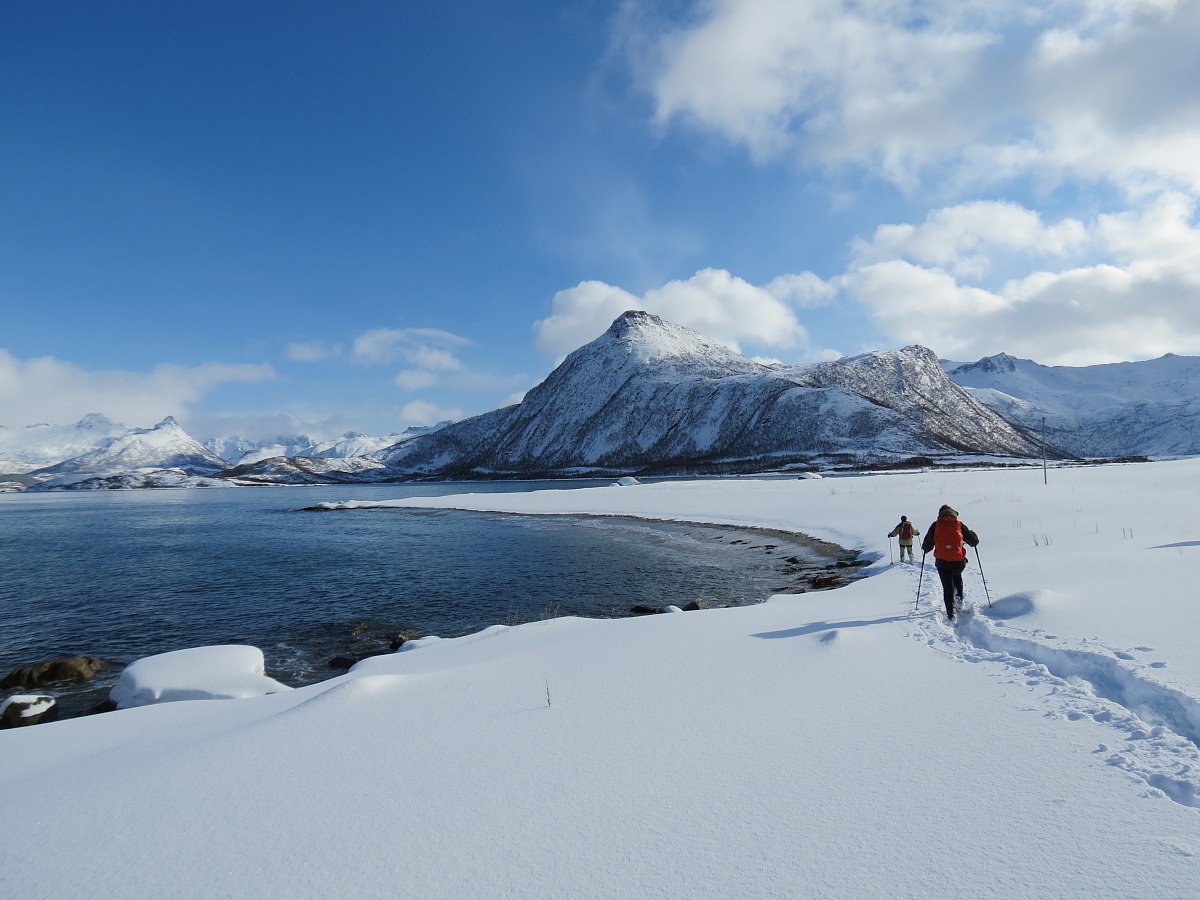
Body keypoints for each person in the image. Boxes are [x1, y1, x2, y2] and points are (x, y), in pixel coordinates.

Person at [920, 504, 979, 621]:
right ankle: (959, 601)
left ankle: (950, 614)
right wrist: (973, 533)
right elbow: (973, 542)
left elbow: (926, 546)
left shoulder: (935, 525)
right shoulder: (959, 524)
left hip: (942, 563)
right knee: (957, 577)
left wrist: (928, 547)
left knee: (947, 587)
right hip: (959, 562)